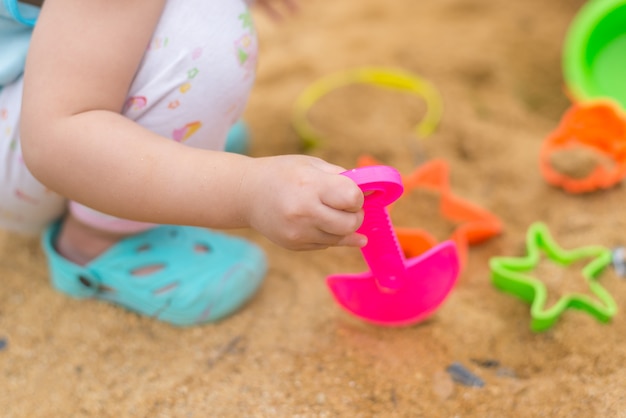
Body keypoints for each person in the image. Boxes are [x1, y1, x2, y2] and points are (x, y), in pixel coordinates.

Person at [0, 0, 366, 326]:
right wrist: (248, 190)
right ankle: (96, 240)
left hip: (36, 98)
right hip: (45, 151)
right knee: (204, 35)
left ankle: (167, 150)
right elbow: (59, 139)